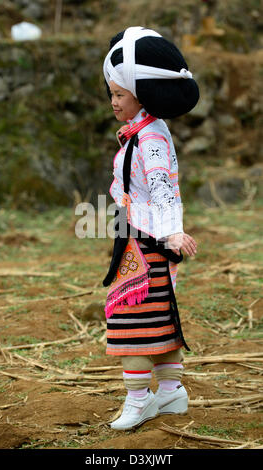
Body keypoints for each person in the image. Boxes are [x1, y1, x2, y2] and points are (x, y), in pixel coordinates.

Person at [102, 26, 199, 431]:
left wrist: (172, 231)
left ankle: (139, 399)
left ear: (140, 94)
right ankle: (171, 392)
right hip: (141, 238)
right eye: (111, 94)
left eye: (119, 94)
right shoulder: (142, 133)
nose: (113, 103)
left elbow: (162, 187)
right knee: (158, 313)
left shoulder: (152, 138)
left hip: (150, 241)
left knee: (131, 318)